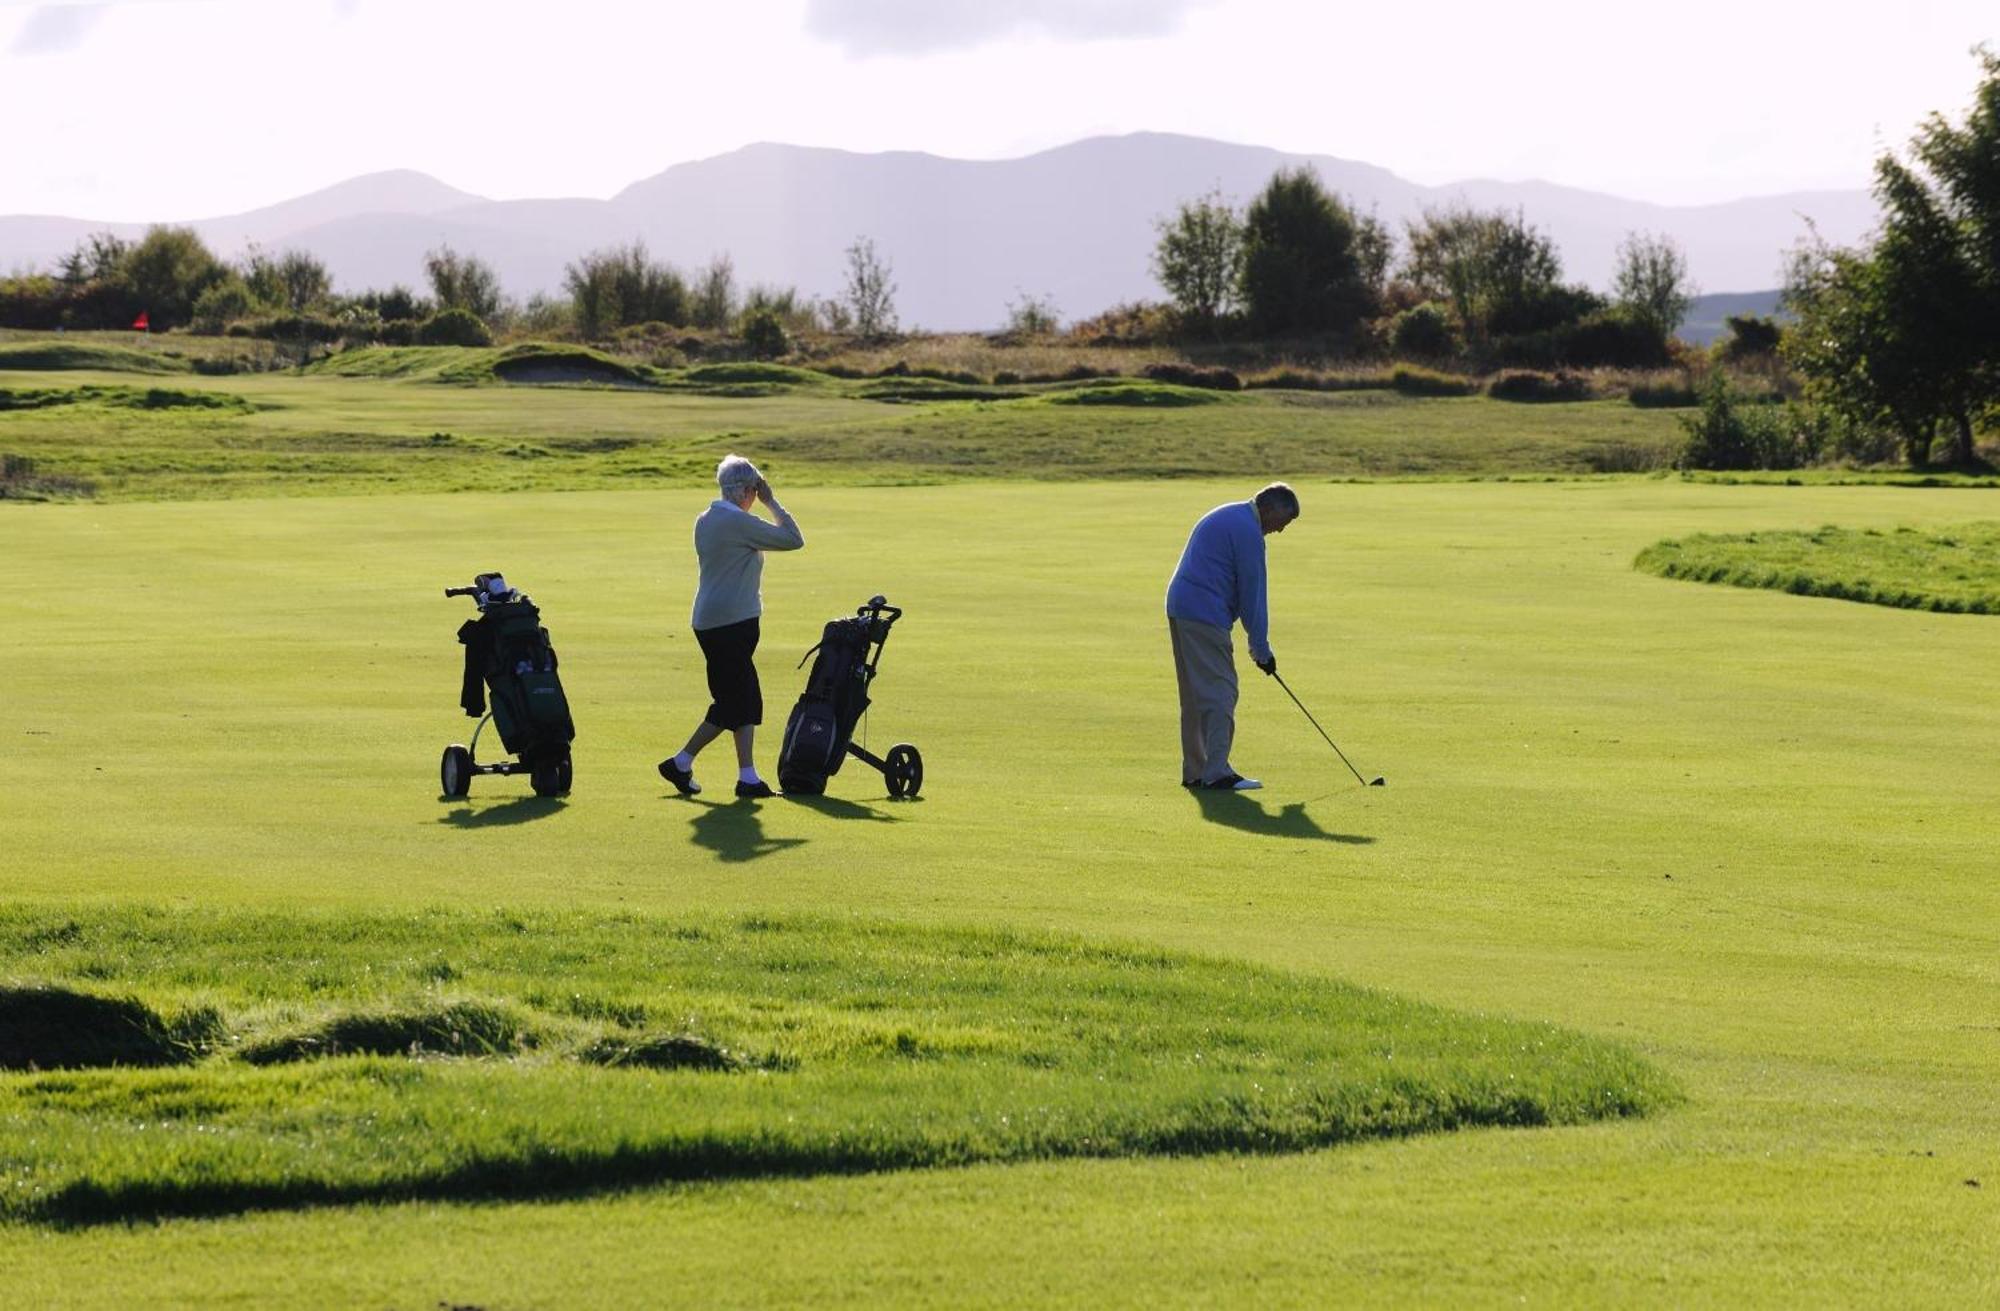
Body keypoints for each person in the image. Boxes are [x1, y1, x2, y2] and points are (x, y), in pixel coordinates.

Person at [658, 454, 804, 799]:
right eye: (755, 489)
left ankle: (747, 777)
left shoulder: (707, 518)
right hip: (730, 622)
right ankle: (681, 761)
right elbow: (793, 538)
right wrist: (771, 501)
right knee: (735, 701)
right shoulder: (737, 522)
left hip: (715, 619)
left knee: (740, 699)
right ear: (747, 490)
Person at [1164, 482, 1300, 791]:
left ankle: (1197, 770)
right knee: (1221, 691)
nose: (1281, 530)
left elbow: (1243, 593)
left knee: (1197, 695)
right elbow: (1252, 593)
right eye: (1284, 521)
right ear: (1269, 508)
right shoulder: (1247, 532)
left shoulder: (1232, 515)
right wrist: (1260, 648)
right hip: (1202, 612)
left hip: (1184, 606)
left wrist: (1257, 644)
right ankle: (1217, 772)